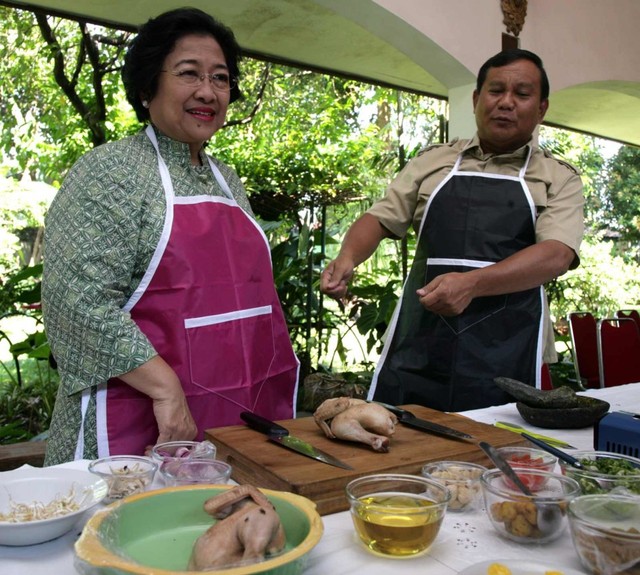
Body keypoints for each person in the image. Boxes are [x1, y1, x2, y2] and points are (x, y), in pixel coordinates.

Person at [42, 8, 299, 465]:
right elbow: (75, 301)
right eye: (189, 74)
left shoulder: (227, 178)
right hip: (137, 418)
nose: (208, 91)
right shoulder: (111, 170)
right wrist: (166, 389)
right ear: (146, 88)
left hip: (234, 411)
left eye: (220, 78)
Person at [320, 49, 584, 412]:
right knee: (401, 445)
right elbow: (381, 218)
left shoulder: (559, 177)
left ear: (541, 109)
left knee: (502, 455)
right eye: (495, 91)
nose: (506, 103)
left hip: (510, 347)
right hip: (420, 341)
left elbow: (556, 254)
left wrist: (472, 284)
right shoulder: (434, 160)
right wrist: (347, 256)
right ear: (477, 99)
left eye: (522, 94)